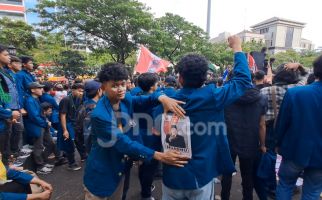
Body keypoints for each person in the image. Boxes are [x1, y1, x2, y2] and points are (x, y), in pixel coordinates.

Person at [152, 35, 252, 199]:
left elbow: (155, 132)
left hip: (172, 176)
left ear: (180, 78)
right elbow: (242, 81)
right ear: (205, 77)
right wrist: (237, 48)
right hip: (201, 175)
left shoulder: (165, 100)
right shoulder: (213, 96)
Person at [83, 62, 189, 200]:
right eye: (115, 85)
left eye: (123, 84)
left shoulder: (125, 98)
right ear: (103, 87)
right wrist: (159, 156)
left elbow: (142, 100)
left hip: (122, 168)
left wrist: (162, 98)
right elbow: (122, 142)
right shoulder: (99, 114)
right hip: (103, 171)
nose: (121, 88)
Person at [275, 55, 322, 200]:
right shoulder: (296, 92)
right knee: (312, 192)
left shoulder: (296, 93)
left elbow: (282, 123)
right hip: (320, 157)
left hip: (294, 150)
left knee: (285, 184)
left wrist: (277, 143)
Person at [221, 87, 268, 200]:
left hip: (229, 141)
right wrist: (262, 144)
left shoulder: (226, 96)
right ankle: (247, 197)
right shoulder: (261, 98)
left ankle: (224, 197)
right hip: (250, 141)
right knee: (248, 175)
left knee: (227, 174)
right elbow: (262, 125)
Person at [24, 82, 54, 174]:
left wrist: (46, 122)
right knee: (38, 146)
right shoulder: (30, 100)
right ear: (33, 90)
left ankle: (43, 162)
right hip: (36, 126)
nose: (42, 89)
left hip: (42, 125)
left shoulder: (36, 99)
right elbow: (34, 117)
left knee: (50, 143)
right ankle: (40, 166)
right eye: (39, 88)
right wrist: (45, 123)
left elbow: (41, 114)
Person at [0, 45, 21, 165]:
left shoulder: (4, 73)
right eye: (6, 54)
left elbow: (5, 95)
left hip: (6, 117)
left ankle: (7, 166)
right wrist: (8, 112)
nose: (9, 57)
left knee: (5, 144)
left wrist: (9, 112)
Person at [58, 83, 86, 171]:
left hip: (75, 124)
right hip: (67, 124)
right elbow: (62, 115)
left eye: (82, 91)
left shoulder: (79, 98)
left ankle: (83, 156)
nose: (81, 93)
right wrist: (65, 130)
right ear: (73, 90)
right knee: (69, 144)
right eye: (79, 91)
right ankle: (71, 163)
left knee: (79, 140)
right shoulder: (66, 100)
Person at [75, 80, 102, 154]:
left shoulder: (84, 105)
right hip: (95, 146)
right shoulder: (94, 108)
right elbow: (89, 132)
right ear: (99, 90)